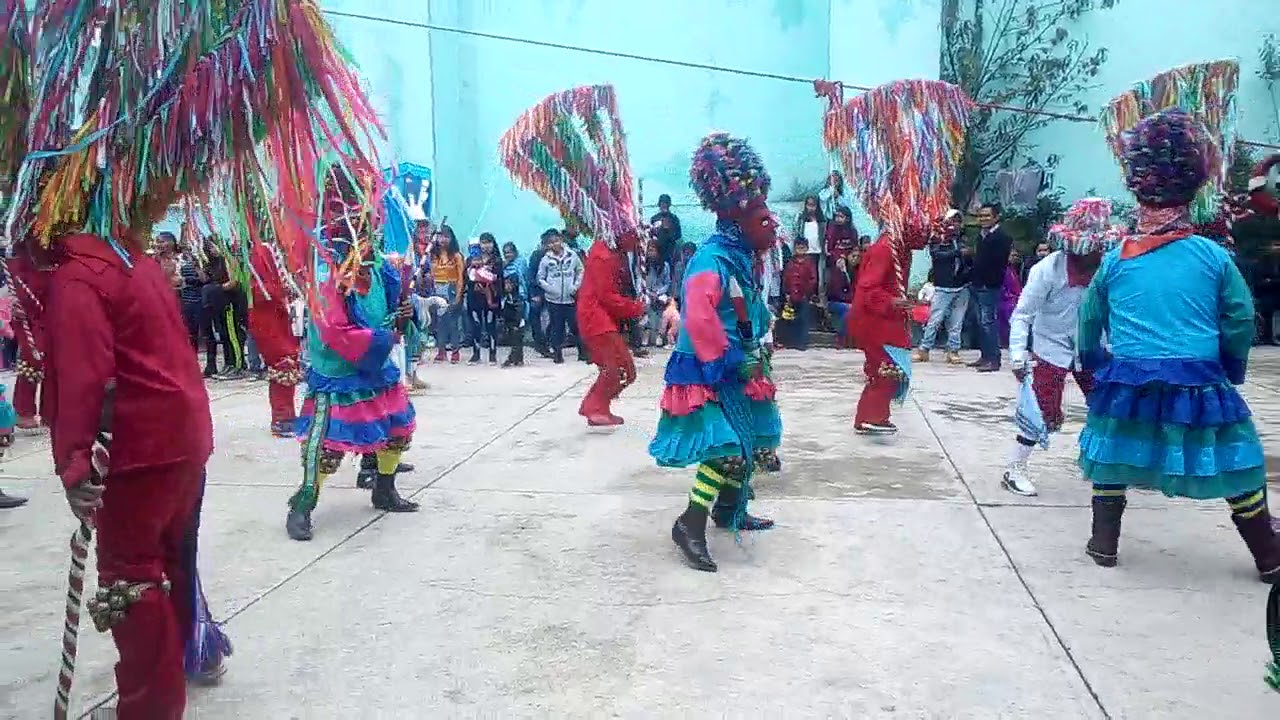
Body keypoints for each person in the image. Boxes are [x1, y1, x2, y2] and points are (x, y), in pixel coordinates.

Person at [1076, 109, 1280, 582]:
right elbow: (1240, 316)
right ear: (1192, 185)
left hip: (1128, 375)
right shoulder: (1213, 256)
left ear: (1137, 186)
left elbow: (1088, 320)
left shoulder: (1114, 260)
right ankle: (1268, 554)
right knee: (1241, 462)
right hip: (1199, 375)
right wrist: (1231, 366)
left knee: (1111, 456)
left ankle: (1104, 542)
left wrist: (1096, 364)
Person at [43, 229, 215, 717]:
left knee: (131, 581)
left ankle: (149, 707)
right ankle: (175, 675)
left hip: (140, 451)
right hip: (184, 436)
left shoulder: (78, 276)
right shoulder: (134, 259)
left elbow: (81, 376)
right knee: (171, 563)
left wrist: (75, 462)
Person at [651, 132, 782, 573]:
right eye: (764, 216)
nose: (773, 224)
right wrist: (724, 360)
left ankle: (731, 509)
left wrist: (759, 334)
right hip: (711, 367)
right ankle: (690, 524)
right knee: (725, 448)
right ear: (738, 215)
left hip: (738, 361)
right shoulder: (712, 259)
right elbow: (699, 315)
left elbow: (749, 310)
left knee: (754, 440)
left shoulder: (739, 258)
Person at [287, 171, 420, 542]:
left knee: (397, 431)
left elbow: (393, 307)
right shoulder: (329, 273)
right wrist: (385, 336)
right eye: (368, 217)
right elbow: (333, 330)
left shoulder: (375, 265)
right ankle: (302, 505)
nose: (375, 224)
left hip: (377, 367)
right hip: (341, 371)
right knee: (327, 446)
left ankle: (384, 489)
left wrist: (403, 315)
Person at [1000, 198, 1120, 497]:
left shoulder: (1109, 269)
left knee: (1109, 405)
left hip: (1093, 346)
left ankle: (1100, 461)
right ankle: (1014, 468)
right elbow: (1023, 315)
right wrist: (1018, 356)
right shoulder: (1047, 270)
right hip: (1050, 347)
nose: (1094, 253)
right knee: (1041, 409)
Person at [850, 223, 928, 434]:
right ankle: (871, 417)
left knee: (891, 369)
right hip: (877, 321)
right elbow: (867, 290)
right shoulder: (885, 248)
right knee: (885, 368)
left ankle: (875, 416)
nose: (928, 234)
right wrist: (892, 302)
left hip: (890, 319)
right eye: (924, 228)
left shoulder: (901, 249)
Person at [576, 229, 647, 426]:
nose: (638, 243)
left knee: (620, 368)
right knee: (620, 368)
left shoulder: (611, 252)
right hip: (596, 319)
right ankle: (594, 407)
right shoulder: (604, 256)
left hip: (602, 319)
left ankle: (596, 405)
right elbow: (607, 296)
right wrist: (635, 308)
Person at [246, 243, 302, 437]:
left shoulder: (272, 249)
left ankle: (286, 414)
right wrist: (283, 291)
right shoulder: (263, 251)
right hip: (268, 321)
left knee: (289, 363)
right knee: (282, 364)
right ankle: (281, 418)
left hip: (277, 318)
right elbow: (261, 291)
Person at [914, 210, 969, 363]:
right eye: (952, 220)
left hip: (962, 285)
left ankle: (953, 351)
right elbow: (938, 256)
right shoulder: (937, 239)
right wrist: (958, 252)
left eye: (958, 221)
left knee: (956, 322)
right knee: (935, 319)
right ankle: (924, 349)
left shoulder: (962, 238)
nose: (955, 224)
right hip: (944, 286)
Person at [7, 245, 48, 431]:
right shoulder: (25, 250)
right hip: (33, 308)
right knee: (32, 358)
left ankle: (48, 410)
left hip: (47, 302)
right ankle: (25, 410)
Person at [970, 203, 1012, 371]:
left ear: (996, 217)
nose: (983, 219)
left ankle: (994, 359)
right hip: (978, 284)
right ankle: (985, 355)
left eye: (987, 216)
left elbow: (997, 263)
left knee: (988, 321)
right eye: (980, 216)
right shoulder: (981, 236)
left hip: (990, 285)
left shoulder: (1002, 237)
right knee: (980, 322)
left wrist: (988, 281)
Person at [537, 229, 584, 364]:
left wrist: (575, 286)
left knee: (575, 326)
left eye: (557, 241)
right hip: (554, 299)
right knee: (557, 327)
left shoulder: (572, 255)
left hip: (570, 297)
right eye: (551, 243)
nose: (555, 244)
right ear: (547, 245)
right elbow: (540, 278)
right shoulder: (546, 260)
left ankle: (582, 352)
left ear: (561, 241)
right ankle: (558, 354)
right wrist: (550, 289)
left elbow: (580, 270)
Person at [429, 225, 466, 363]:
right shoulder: (433, 255)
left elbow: (461, 278)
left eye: (446, 236)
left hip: (451, 288)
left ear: (451, 238)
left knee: (452, 322)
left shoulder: (457, 256)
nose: (443, 239)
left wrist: (458, 295)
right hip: (437, 289)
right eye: (440, 236)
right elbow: (431, 275)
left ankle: (455, 352)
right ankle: (441, 351)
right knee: (439, 323)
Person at [466, 233, 502, 364]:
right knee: (476, 325)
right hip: (474, 298)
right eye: (483, 243)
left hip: (491, 298)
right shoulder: (470, 260)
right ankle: (476, 354)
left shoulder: (497, 261)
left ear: (493, 244)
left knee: (490, 325)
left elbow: (499, 279)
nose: (486, 246)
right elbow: (467, 279)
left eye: (489, 242)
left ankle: (493, 354)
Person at [778, 236, 817, 350]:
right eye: (798, 248)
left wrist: (807, 292)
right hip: (791, 296)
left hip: (804, 295)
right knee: (791, 319)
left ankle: (802, 343)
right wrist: (787, 293)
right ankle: (791, 342)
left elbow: (813, 279)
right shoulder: (790, 262)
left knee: (803, 319)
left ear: (807, 248)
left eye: (803, 248)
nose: (800, 250)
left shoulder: (810, 263)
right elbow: (786, 278)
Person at [525, 230, 555, 357]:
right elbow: (531, 276)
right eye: (549, 243)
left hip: (554, 292)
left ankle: (547, 343)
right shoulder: (537, 255)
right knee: (536, 318)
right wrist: (534, 294)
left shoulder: (561, 256)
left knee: (553, 319)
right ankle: (540, 344)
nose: (551, 245)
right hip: (538, 292)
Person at [641, 241, 671, 347]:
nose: (650, 252)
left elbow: (667, 283)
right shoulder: (644, 265)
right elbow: (642, 282)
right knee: (646, 303)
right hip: (647, 292)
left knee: (663, 300)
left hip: (660, 292)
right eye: (649, 250)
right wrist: (649, 293)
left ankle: (660, 334)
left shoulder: (665, 266)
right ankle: (646, 332)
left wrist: (658, 293)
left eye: (653, 250)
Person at [998, 247, 1023, 348]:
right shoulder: (1003, 270)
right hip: (1005, 300)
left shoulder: (1014, 270)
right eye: (1012, 255)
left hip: (1014, 299)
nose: (1015, 258)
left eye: (1016, 256)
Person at [500, 275, 526, 367]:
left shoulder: (518, 297)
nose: (507, 286)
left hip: (518, 322)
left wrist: (517, 323)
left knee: (516, 340)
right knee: (515, 340)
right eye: (506, 283)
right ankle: (519, 359)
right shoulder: (506, 296)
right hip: (509, 321)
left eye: (509, 284)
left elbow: (519, 311)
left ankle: (511, 359)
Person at [649, 193, 683, 263]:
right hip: (657, 251)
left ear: (669, 205)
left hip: (670, 250)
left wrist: (668, 230)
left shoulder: (674, 218)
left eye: (666, 203)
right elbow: (651, 235)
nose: (664, 205)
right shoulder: (654, 218)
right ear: (659, 204)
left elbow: (678, 235)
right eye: (662, 203)